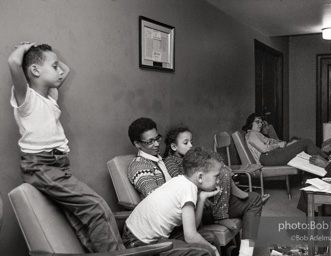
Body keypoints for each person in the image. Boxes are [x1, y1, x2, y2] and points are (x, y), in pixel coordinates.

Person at [8, 42, 124, 252]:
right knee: (96, 207)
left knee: (80, 220)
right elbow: (13, 62)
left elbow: (66, 70)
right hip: (41, 166)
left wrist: (47, 57)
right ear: (35, 70)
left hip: (58, 166)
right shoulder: (26, 98)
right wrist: (28, 47)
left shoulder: (50, 96)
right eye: (54, 66)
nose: (60, 70)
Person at [127, 118, 220, 252]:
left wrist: (200, 196)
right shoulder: (139, 165)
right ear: (137, 143)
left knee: (209, 236)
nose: (156, 144)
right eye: (150, 141)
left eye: (157, 138)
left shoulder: (161, 160)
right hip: (144, 238)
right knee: (204, 248)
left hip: (171, 220)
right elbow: (154, 197)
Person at [163, 127, 265, 233]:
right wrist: (200, 194)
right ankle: (221, 216)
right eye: (185, 143)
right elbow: (180, 179)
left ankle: (245, 248)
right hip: (200, 195)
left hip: (212, 189)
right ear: (174, 146)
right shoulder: (170, 161)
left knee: (253, 196)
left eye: (191, 142)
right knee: (223, 173)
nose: (190, 145)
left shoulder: (192, 157)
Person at [242, 113, 328, 166]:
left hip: (271, 155)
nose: (260, 124)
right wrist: (278, 145)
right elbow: (264, 149)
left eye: (261, 122)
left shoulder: (257, 134)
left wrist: (284, 145)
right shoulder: (251, 134)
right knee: (306, 142)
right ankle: (328, 161)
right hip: (267, 157)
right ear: (250, 123)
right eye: (257, 122)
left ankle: (326, 161)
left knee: (303, 143)